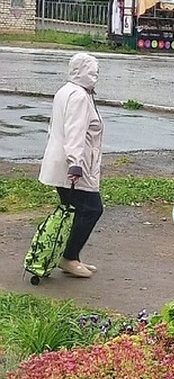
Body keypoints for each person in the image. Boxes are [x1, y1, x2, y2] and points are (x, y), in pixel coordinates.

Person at [38, 52, 104, 279]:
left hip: (61, 161)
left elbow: (55, 126)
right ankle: (70, 257)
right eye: (93, 71)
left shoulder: (65, 91)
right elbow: (74, 132)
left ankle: (66, 255)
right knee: (92, 209)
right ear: (83, 72)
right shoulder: (78, 96)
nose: (96, 76)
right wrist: (75, 164)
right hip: (73, 165)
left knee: (74, 210)